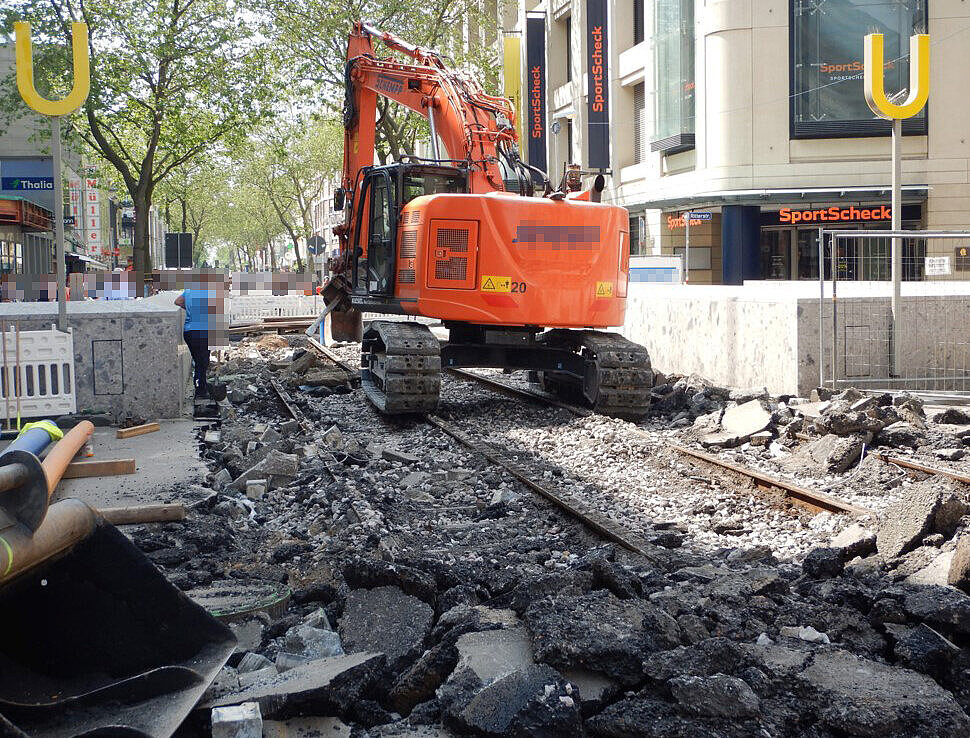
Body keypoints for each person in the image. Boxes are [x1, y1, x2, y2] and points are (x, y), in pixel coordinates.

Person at [175, 277, 215, 398]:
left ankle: (200, 386)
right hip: (202, 331)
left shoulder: (188, 291)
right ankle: (200, 390)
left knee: (198, 360)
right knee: (203, 362)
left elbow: (177, 301)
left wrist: (189, 310)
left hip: (189, 332)